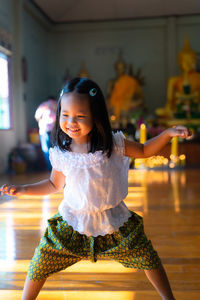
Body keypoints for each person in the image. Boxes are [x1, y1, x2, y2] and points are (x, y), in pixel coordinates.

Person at [0, 78, 191, 300]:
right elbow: (53, 184)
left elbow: (145, 150)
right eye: (65, 115)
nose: (71, 122)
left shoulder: (114, 144)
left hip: (115, 223)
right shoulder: (62, 152)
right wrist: (23, 190)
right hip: (72, 224)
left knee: (148, 258)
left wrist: (168, 133)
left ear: (96, 116)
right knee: (40, 263)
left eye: (80, 116)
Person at [35, 96, 57, 170]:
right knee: (56, 149)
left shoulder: (44, 105)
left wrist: (41, 121)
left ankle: (50, 168)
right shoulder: (57, 104)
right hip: (56, 130)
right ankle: (57, 168)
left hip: (45, 129)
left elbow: (37, 116)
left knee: (46, 150)